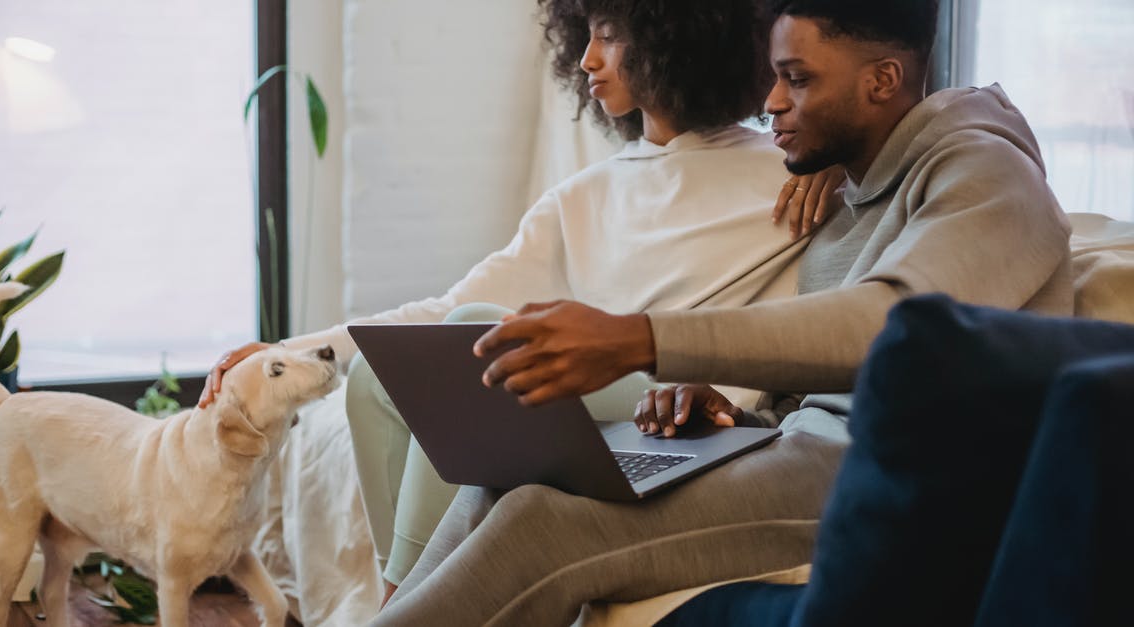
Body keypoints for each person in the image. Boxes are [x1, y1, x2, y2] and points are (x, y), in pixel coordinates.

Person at [371, 0, 1075, 625]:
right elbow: (828, 393)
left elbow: (893, 329)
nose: (769, 101)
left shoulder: (990, 176)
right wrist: (744, 418)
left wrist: (639, 340)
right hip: (801, 452)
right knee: (515, 480)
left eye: (797, 79)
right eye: (774, 74)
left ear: (882, 82)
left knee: (543, 527)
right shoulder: (864, 185)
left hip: (896, 477)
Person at [199, 0, 843, 606]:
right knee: (377, 379)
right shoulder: (583, 197)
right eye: (584, 33)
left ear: (672, 41)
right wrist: (290, 351)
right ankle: (407, 596)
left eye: (610, 34)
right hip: (608, 401)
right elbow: (444, 310)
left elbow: (889, 184)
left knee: (480, 342)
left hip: (704, 414)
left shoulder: (795, 176)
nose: (588, 59)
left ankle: (404, 610)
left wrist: (840, 164)